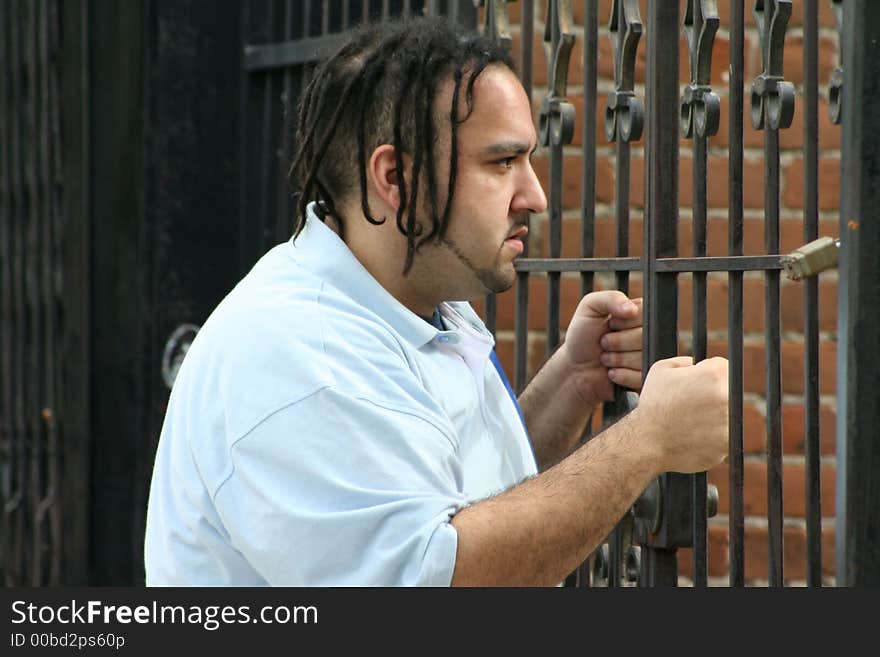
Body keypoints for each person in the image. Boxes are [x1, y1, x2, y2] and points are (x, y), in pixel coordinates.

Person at [144, 16, 728, 586]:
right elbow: (437, 577)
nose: (536, 195)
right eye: (501, 162)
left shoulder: (412, 299)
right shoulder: (303, 358)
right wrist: (646, 442)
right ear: (394, 176)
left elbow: (452, 499)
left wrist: (572, 383)